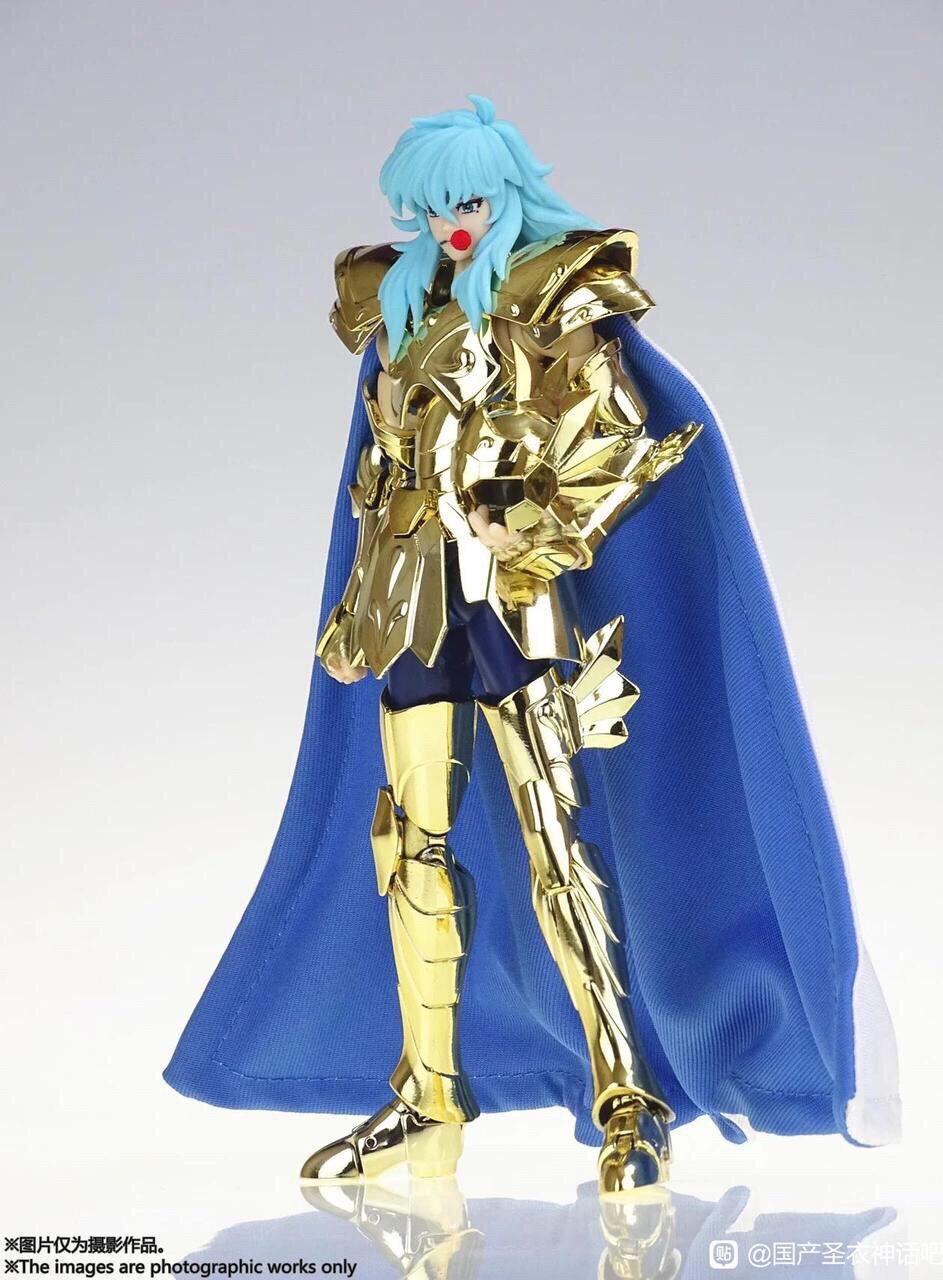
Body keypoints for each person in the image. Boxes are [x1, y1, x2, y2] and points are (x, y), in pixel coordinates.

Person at [164, 96, 900, 1195]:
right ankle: (430, 1099)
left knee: (559, 843)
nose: (451, 223)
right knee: (410, 847)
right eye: (431, 207)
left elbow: (611, 439)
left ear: (507, 192)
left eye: (468, 199)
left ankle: (628, 1093)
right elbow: (379, 473)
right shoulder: (399, 309)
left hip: (516, 602)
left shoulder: (559, 292)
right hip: (414, 599)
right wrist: (358, 601)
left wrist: (532, 516)